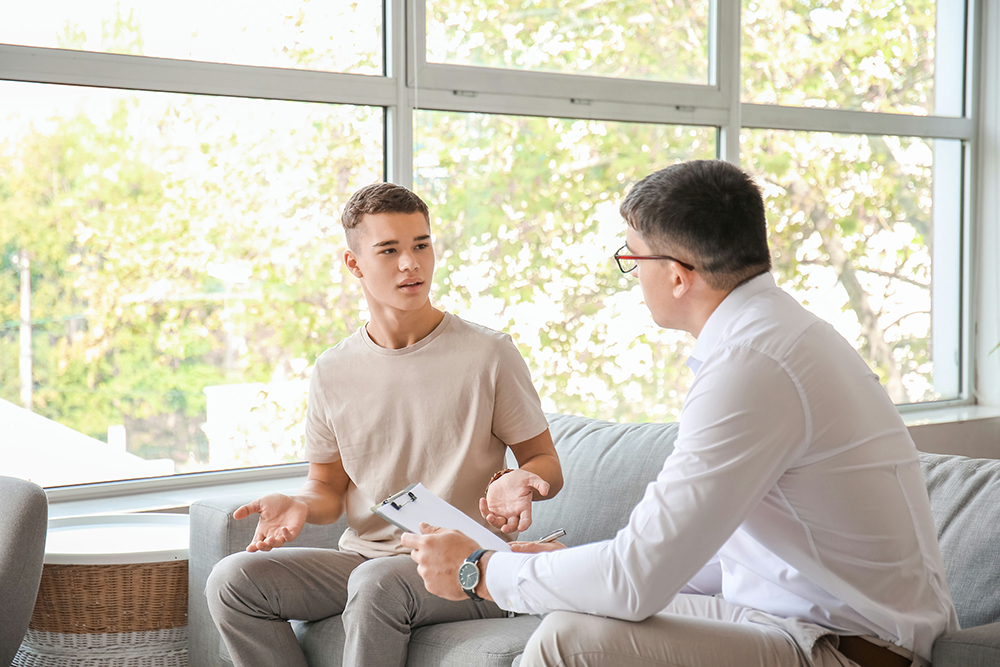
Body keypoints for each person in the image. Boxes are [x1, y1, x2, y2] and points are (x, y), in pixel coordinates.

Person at [402, 160, 959, 667]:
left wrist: (480, 570)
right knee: (580, 609)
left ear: (676, 273)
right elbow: (719, 561)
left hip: (854, 651)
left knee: (567, 640)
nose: (633, 274)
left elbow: (633, 581)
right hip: (805, 621)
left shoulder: (752, 366)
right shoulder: (778, 336)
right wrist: (568, 568)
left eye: (631, 257)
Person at [206, 182, 563, 667]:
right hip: (364, 557)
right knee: (233, 581)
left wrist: (524, 480)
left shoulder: (489, 354)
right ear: (354, 263)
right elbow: (327, 489)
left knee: (376, 585)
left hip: (465, 560)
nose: (411, 264)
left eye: (421, 245)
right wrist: (298, 504)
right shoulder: (333, 370)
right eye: (389, 250)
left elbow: (546, 464)